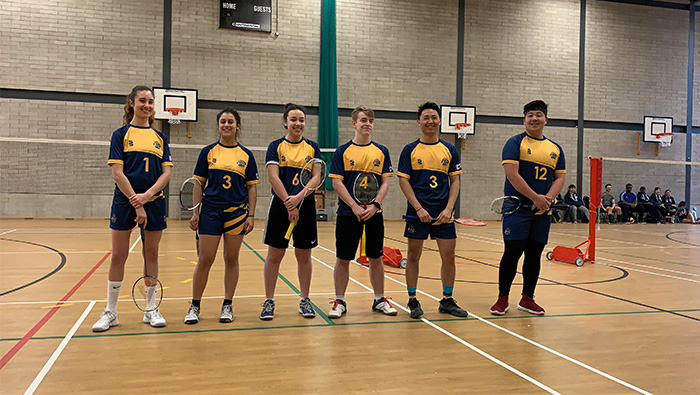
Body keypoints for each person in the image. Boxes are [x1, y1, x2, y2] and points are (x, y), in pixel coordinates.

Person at [93, 86, 173, 332]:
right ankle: (111, 311)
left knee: (152, 254)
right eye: (142, 101)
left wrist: (147, 196)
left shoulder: (161, 139)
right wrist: (136, 201)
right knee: (118, 255)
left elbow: (166, 172)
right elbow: (118, 173)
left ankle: (151, 309)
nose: (146, 105)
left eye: (150, 101)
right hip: (124, 201)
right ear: (131, 103)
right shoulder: (120, 135)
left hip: (155, 202)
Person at [490, 100, 566, 316]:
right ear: (524, 120)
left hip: (542, 211)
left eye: (539, 115)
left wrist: (547, 199)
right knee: (512, 253)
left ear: (546, 120)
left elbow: (560, 178)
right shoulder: (515, 143)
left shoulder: (555, 149)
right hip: (517, 209)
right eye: (530, 115)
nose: (535, 118)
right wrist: (535, 197)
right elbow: (512, 175)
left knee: (534, 255)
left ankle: (527, 299)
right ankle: (502, 298)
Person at [184, 108, 258, 324]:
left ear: (238, 126)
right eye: (223, 122)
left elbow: (252, 188)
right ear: (218, 125)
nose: (227, 125)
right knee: (205, 259)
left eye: (231, 122)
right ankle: (195, 305)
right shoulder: (207, 152)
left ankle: (227, 304)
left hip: (236, 213)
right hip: (210, 212)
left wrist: (251, 215)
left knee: (231, 258)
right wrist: (195, 212)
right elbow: (198, 184)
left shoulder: (246, 155)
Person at [397, 101, 467, 319]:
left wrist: (449, 209)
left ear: (439, 121)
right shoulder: (410, 150)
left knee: (449, 256)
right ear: (419, 122)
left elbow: (455, 181)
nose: (430, 121)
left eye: (434, 117)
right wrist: (418, 208)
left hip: (443, 214)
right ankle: (412, 300)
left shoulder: (450, 149)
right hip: (417, 213)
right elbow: (403, 182)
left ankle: (446, 300)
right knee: (413, 255)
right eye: (426, 117)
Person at [327, 106, 397, 318]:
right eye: (364, 120)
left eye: (371, 121)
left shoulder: (381, 151)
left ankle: (379, 299)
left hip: (373, 214)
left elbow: (385, 182)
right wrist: (354, 206)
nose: (368, 124)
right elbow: (337, 182)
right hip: (349, 214)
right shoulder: (342, 151)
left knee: (375, 257)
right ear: (354, 123)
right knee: (343, 258)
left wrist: (375, 205)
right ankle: (339, 301)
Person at [260, 103, 321, 320]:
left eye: (302, 120)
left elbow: (316, 177)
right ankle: (269, 301)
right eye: (294, 119)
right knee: (275, 254)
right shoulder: (275, 146)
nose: (298, 123)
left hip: (305, 204)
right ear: (285, 122)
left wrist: (298, 199)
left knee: (304, 254)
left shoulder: (313, 147)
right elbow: (273, 177)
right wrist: (288, 202)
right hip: (280, 205)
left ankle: (305, 299)